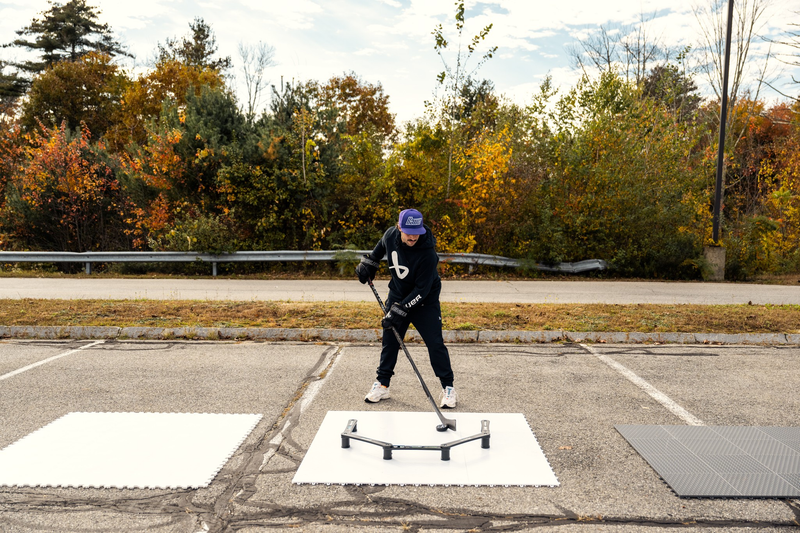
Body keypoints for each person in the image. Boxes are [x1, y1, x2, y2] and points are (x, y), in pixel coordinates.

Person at [355, 208, 456, 409]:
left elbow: (422, 289)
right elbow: (376, 255)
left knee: (435, 344)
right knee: (390, 342)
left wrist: (398, 310)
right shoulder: (390, 235)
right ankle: (382, 385)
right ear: (399, 227)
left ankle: (448, 388)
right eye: (408, 231)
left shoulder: (428, 253)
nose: (412, 236)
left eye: (416, 231)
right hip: (398, 295)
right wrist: (367, 267)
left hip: (425, 301)